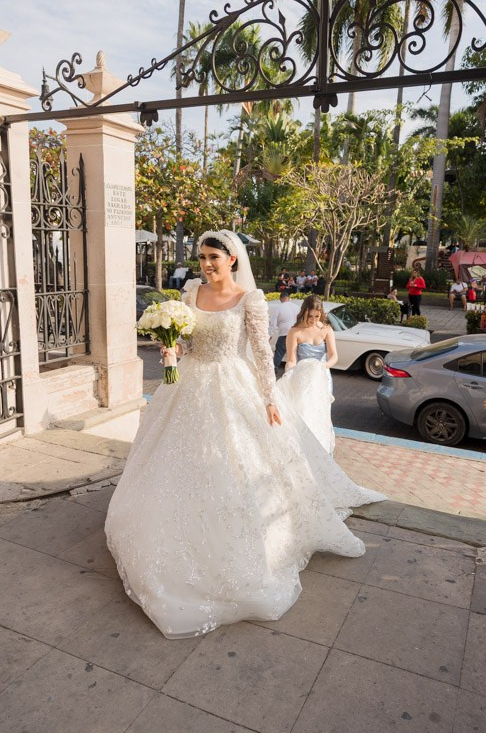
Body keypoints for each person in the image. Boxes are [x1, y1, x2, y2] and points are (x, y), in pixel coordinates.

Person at [105, 229, 385, 640]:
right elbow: (185, 344)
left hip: (233, 385)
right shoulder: (190, 293)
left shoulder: (249, 299)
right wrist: (171, 350)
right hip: (188, 384)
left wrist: (270, 398)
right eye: (202, 257)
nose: (205, 264)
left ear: (232, 259)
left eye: (213, 258)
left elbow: (260, 351)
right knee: (178, 457)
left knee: (234, 461)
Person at [278, 295, 337, 454]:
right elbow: (291, 359)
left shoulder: (326, 330)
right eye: (310, 316)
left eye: (316, 316)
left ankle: (323, 452)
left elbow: (334, 356)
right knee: (305, 414)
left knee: (322, 414)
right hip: (304, 378)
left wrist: (322, 367)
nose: (313, 320)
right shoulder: (294, 332)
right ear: (304, 312)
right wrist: (290, 374)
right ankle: (304, 452)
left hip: (322, 377)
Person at [269, 290, 299, 371]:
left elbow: (273, 323)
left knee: (279, 353)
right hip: (296, 334)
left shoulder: (279, 308)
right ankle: (295, 371)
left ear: (280, 299)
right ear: (289, 298)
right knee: (294, 354)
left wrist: (270, 335)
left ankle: (274, 370)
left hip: (284, 334)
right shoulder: (296, 307)